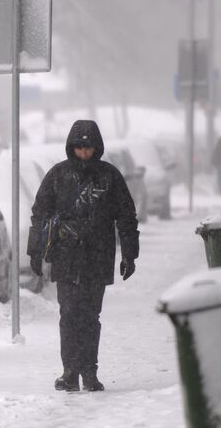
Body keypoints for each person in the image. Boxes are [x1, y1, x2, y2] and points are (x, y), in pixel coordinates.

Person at [27, 120, 140, 392]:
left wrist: (129, 254)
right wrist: (35, 251)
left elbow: (126, 216)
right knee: (68, 314)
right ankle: (70, 372)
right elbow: (40, 213)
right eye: (80, 147)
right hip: (66, 257)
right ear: (72, 147)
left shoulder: (109, 176)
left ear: (96, 147)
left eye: (88, 147)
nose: (84, 153)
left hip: (98, 257)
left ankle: (89, 372)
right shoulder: (58, 175)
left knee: (90, 315)